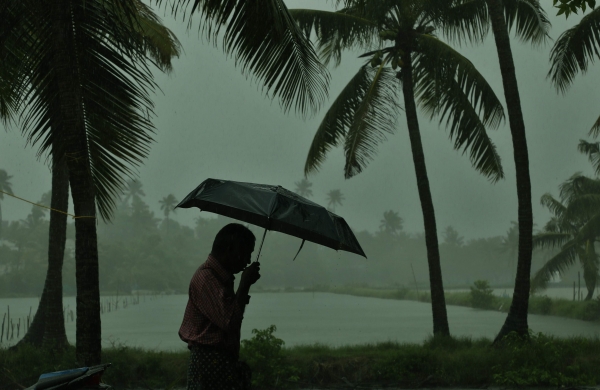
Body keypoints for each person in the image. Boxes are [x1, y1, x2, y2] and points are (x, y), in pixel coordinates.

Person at [179, 223, 261, 390]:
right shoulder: (207, 279)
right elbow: (230, 322)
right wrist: (244, 284)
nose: (248, 260)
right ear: (231, 250)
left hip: (218, 363)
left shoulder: (221, 279)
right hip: (210, 364)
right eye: (246, 253)